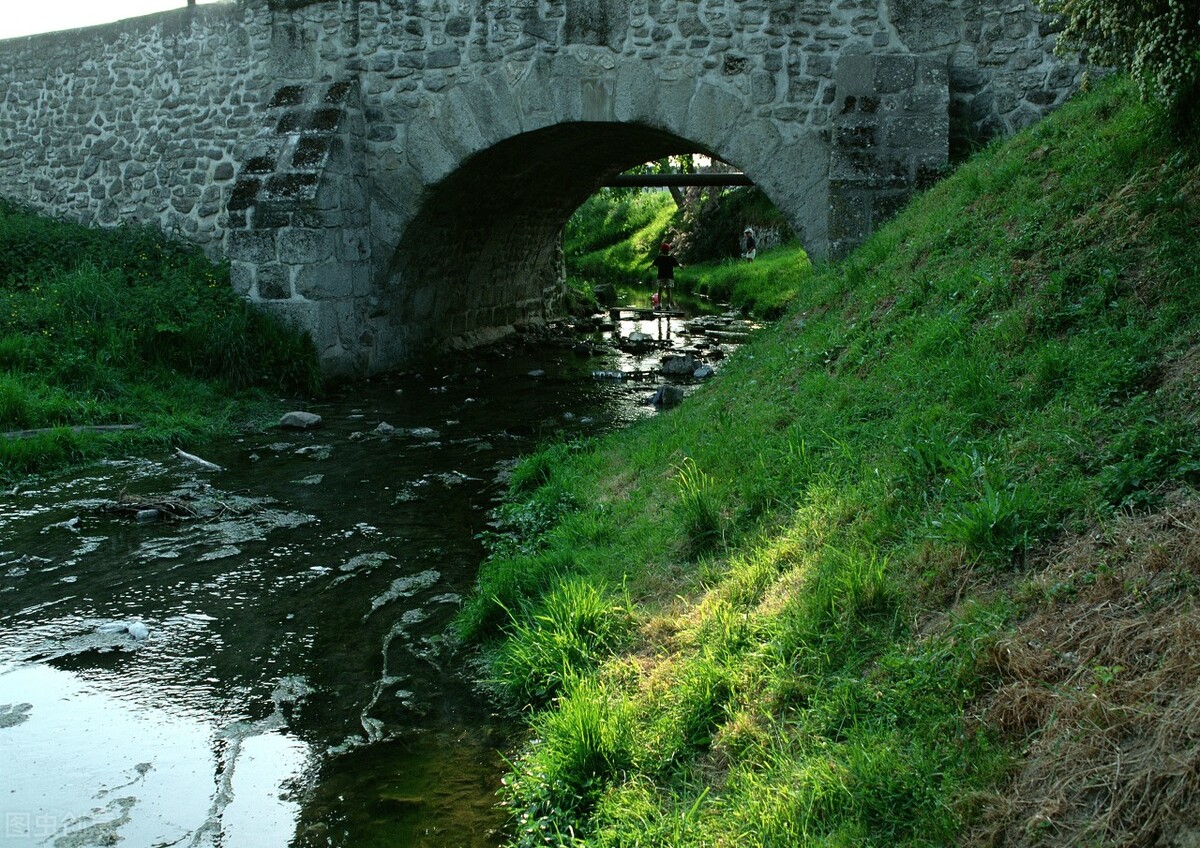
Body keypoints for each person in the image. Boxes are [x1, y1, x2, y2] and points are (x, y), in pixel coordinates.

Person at [652, 243, 681, 310]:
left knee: (660, 290)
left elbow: (653, 264)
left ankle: (659, 304)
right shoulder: (671, 258)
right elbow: (677, 265)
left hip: (661, 276)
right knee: (668, 290)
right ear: (669, 250)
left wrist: (648, 268)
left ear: (661, 250)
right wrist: (681, 267)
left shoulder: (659, 258)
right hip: (669, 276)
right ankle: (668, 305)